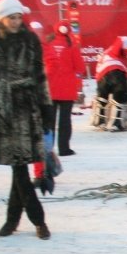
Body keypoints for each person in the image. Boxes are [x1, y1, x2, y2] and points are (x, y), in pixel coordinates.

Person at [0, 0, 54, 240]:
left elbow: (40, 76)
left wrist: (46, 108)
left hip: (27, 107)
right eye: (11, 18)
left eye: (19, 17)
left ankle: (24, 220)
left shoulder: (30, 40)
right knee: (18, 167)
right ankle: (30, 220)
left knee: (20, 167)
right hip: (1, 108)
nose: (17, 22)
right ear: (0, 19)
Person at [43, 20, 85, 155]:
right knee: (65, 120)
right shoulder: (72, 45)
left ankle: (48, 148)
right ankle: (64, 148)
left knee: (49, 120)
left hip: (50, 88)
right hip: (67, 88)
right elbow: (80, 67)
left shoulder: (48, 43)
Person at [92, 35, 127, 131]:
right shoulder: (123, 52)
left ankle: (100, 121)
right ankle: (117, 123)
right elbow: (124, 41)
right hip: (117, 73)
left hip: (101, 74)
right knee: (120, 99)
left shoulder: (107, 52)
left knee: (102, 98)